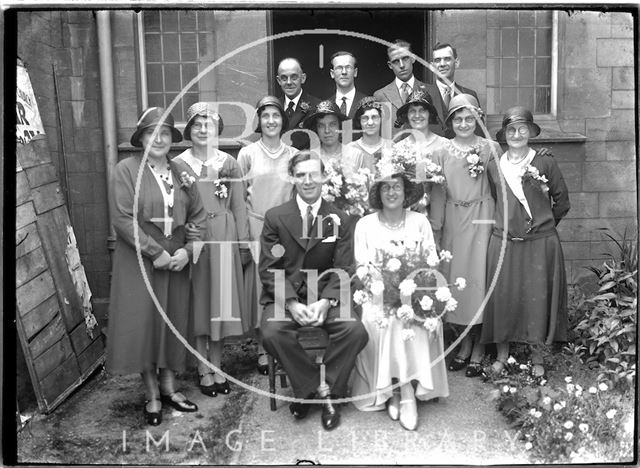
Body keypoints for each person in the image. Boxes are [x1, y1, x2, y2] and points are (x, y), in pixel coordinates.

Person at [106, 107, 206, 425]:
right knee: (145, 324)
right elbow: (122, 218)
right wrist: (154, 252)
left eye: (165, 132)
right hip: (140, 262)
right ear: (142, 138)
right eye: (152, 133)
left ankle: (170, 388)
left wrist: (189, 251)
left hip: (176, 262)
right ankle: (151, 395)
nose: (159, 138)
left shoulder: (182, 173)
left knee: (172, 322)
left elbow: (199, 217)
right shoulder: (126, 169)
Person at [260, 151, 369, 431]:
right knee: (272, 332)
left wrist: (326, 301)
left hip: (327, 297)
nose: (308, 181)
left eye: (313, 174)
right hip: (288, 297)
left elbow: (344, 267)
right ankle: (315, 389)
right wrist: (293, 304)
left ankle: (322, 389)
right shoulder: (275, 217)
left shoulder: (340, 218)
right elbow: (270, 268)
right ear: (293, 178)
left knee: (355, 331)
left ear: (323, 177)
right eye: (301, 175)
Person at [351, 163, 449, 431]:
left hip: (415, 295)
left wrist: (413, 293)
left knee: (409, 316)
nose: (391, 192)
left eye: (397, 186)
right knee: (387, 317)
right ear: (378, 193)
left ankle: (404, 392)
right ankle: (397, 391)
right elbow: (362, 267)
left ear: (405, 192)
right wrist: (384, 289)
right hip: (377, 296)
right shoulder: (365, 225)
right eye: (385, 187)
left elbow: (430, 264)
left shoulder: (420, 222)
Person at [482, 106, 570, 378]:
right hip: (505, 243)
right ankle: (502, 355)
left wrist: (542, 226)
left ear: (531, 132)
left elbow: (563, 202)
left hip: (540, 244)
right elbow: (499, 200)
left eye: (522, 129)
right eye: (511, 129)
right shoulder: (494, 166)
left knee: (537, 300)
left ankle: (537, 358)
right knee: (503, 298)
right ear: (504, 134)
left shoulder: (545, 162)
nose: (517, 134)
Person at [174, 103, 252, 397]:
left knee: (220, 304)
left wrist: (243, 243)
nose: (203, 130)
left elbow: (239, 206)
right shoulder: (178, 164)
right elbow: (175, 207)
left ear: (217, 130)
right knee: (200, 302)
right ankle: (202, 367)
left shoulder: (228, 164)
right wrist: (183, 233)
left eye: (209, 125)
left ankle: (218, 366)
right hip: (196, 240)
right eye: (197, 125)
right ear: (189, 130)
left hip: (223, 236)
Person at [429, 94, 501, 377]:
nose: (463, 123)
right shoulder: (442, 151)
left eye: (469, 118)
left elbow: (502, 186)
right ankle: (463, 342)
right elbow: (437, 193)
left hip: (482, 216)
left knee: (478, 281)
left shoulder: (490, 147)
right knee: (455, 281)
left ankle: (479, 346)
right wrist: (436, 228)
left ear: (478, 119)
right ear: (450, 123)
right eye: (457, 119)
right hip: (453, 220)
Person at [237, 96, 298, 375]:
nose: (271, 121)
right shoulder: (247, 154)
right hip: (257, 226)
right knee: (261, 289)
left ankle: (283, 344)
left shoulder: (294, 154)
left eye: (276, 115)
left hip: (285, 230)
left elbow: (299, 195)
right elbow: (239, 197)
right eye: (265, 116)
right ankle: (263, 349)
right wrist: (245, 234)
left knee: (284, 285)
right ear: (259, 121)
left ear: (282, 120)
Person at [393, 90, 449, 233]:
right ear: (407, 115)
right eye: (412, 111)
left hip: (438, 214)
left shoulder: (445, 145)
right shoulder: (398, 148)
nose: (417, 116)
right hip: (407, 214)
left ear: (430, 114)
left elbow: (451, 184)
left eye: (422, 110)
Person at [424, 42, 481, 138]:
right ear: (432, 66)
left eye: (447, 59)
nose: (442, 64)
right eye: (437, 60)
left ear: (456, 62)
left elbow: (478, 132)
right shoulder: (423, 95)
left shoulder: (470, 95)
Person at [373, 39, 428, 135]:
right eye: (396, 61)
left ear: (413, 58)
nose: (402, 65)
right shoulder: (380, 95)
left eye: (405, 58)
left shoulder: (428, 91)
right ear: (390, 65)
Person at [301, 99, 364, 177]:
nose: (327, 131)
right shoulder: (308, 157)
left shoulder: (356, 155)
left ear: (340, 126)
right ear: (316, 129)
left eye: (332, 124)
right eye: (321, 126)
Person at [276, 57, 321, 150]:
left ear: (303, 78)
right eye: (284, 78)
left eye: (294, 77)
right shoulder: (274, 106)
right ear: (278, 81)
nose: (289, 82)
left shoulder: (317, 106)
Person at [346, 96, 394, 173]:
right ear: (359, 121)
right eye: (365, 118)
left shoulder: (392, 147)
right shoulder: (350, 149)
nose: (370, 123)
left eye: (374, 117)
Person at [326, 51, 368, 119]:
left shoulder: (367, 103)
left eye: (348, 67)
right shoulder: (326, 106)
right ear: (332, 74)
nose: (344, 72)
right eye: (339, 68)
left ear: (355, 72)